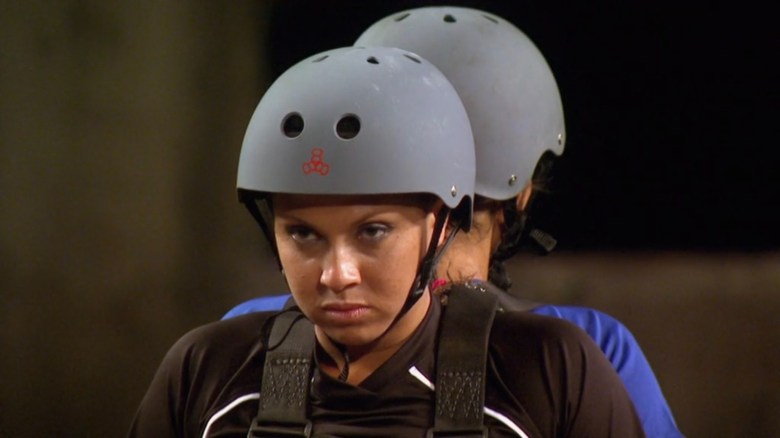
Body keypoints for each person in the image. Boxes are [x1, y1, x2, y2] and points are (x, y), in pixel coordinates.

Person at [130, 46, 644, 437]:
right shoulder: (209, 370)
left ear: (441, 225)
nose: (336, 274)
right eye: (302, 233)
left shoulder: (546, 371)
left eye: (373, 232)